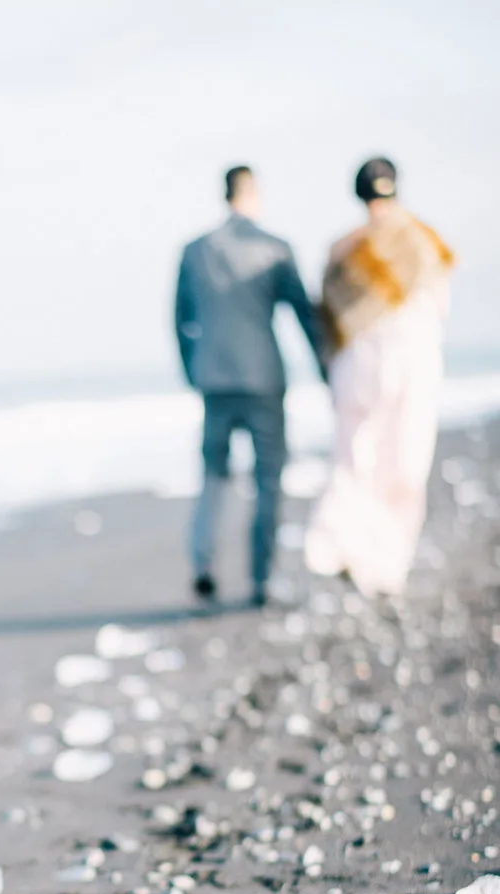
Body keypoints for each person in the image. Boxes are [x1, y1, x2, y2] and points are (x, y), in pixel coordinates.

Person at [304, 157, 454, 597]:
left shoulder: (342, 249)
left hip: (361, 365)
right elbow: (439, 306)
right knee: (400, 459)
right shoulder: (421, 238)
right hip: (407, 361)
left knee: (360, 456)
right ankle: (378, 560)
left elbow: (328, 318)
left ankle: (354, 551)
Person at [175, 165, 324, 606]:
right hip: (263, 381)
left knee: (213, 475)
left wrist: (193, 370)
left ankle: (204, 564)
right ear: (253, 194)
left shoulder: (195, 251)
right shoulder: (275, 250)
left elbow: (181, 321)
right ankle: (261, 580)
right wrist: (327, 370)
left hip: (214, 381)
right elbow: (305, 315)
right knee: (268, 480)